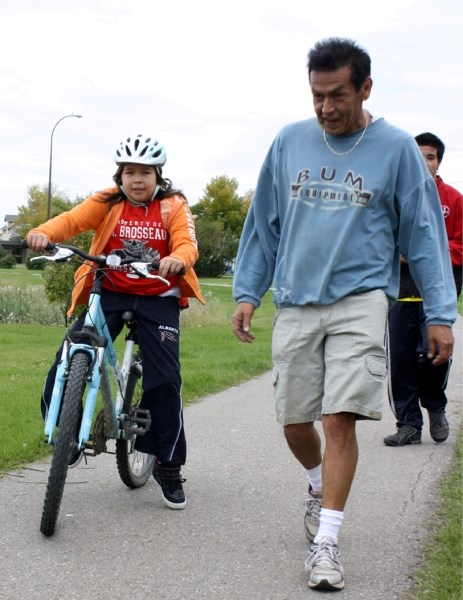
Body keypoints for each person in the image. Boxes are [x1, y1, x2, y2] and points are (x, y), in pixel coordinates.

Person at [231, 38, 456, 592]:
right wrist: (247, 291)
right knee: (294, 420)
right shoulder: (289, 142)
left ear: (365, 88)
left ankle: (327, 543)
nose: (327, 108)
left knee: (339, 418)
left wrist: (440, 312)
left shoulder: (398, 149)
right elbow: (263, 225)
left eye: (338, 95)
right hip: (297, 299)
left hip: (361, 299)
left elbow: (424, 235)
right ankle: (315, 485)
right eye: (317, 95)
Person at [27, 133, 204, 510]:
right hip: (108, 289)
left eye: (145, 172)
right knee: (70, 353)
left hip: (158, 295)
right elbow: (71, 221)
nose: (137, 180)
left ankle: (168, 466)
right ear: (119, 176)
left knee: (165, 379)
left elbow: (187, 242)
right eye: (129, 172)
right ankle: (67, 434)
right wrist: (44, 233)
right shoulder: (107, 202)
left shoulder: (173, 206)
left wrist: (179, 258)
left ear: (158, 175)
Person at [384, 132, 462, 447]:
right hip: (400, 291)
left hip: (436, 294)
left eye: (430, 156)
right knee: (401, 358)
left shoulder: (454, 200)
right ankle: (408, 424)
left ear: (439, 161)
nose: (424, 162)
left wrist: (428, 250)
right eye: (418, 156)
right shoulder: (393, 199)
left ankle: (436, 405)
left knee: (432, 355)